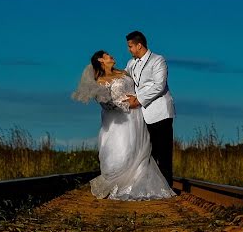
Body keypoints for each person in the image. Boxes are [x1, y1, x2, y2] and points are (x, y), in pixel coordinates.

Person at [72, 50, 174, 200]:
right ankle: (121, 182)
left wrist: (138, 100)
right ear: (101, 60)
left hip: (137, 117)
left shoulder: (123, 71)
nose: (111, 56)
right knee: (123, 149)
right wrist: (126, 105)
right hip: (120, 121)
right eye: (107, 55)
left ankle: (138, 180)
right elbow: (106, 104)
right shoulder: (100, 80)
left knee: (139, 150)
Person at [124, 31, 175, 184]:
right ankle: (152, 185)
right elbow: (126, 81)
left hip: (161, 112)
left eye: (130, 46)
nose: (129, 49)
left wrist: (138, 100)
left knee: (163, 151)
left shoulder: (158, 60)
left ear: (139, 45)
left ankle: (167, 186)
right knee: (148, 151)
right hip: (142, 115)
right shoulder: (131, 63)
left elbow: (159, 86)